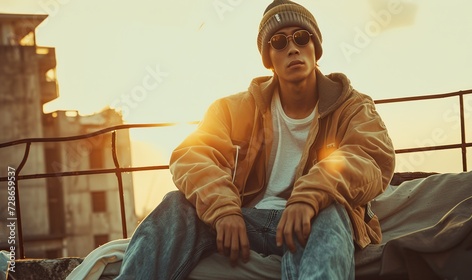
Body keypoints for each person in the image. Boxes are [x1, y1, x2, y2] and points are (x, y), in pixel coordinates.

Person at [116, 0, 395, 279]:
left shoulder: (351, 106)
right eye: (278, 42)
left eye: (301, 37)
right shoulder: (232, 109)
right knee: (175, 205)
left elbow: (370, 156)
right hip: (244, 221)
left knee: (332, 211)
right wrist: (224, 211)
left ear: (315, 47)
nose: (292, 48)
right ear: (268, 57)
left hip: (312, 222)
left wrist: (311, 196)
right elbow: (192, 156)